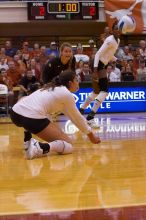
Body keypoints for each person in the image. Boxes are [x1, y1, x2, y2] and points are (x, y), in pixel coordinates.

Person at [10, 70, 100, 160]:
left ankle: (27, 139)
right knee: (68, 144)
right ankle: (39, 147)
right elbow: (77, 118)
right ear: (70, 83)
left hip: (15, 113)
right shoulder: (66, 94)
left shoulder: (50, 88)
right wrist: (91, 135)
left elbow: (48, 116)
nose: (78, 83)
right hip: (30, 118)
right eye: (76, 80)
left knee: (26, 100)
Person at [79, 22, 121, 121]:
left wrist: (117, 60)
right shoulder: (109, 40)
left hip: (103, 64)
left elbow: (110, 55)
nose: (117, 30)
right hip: (97, 63)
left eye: (119, 29)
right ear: (112, 30)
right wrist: (94, 69)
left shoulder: (117, 40)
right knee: (105, 91)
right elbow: (98, 54)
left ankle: (81, 109)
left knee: (97, 91)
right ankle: (91, 114)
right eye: (115, 28)